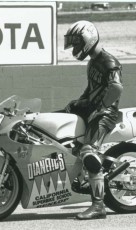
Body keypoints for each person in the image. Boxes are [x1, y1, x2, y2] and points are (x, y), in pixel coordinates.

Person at [64, 20, 123, 220]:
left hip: (106, 114)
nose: (76, 48)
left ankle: (98, 206)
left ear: (88, 38)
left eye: (77, 43)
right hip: (93, 109)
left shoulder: (109, 61)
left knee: (88, 151)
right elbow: (92, 89)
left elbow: (116, 88)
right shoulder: (92, 61)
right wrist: (79, 103)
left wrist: (100, 108)